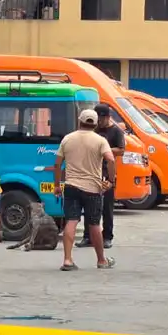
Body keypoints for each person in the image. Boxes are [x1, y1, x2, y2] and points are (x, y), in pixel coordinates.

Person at [55, 109, 117, 271]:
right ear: (95, 124)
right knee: (94, 224)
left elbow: (57, 164)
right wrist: (110, 180)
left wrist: (56, 185)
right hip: (93, 189)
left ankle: (67, 260)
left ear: (79, 121)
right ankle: (101, 260)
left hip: (71, 186)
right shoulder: (100, 140)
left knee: (72, 221)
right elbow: (111, 160)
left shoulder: (67, 139)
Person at [77, 103, 125, 249]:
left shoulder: (116, 131)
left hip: (107, 172)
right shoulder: (93, 130)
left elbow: (121, 150)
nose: (99, 122)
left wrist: (104, 150)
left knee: (107, 207)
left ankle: (107, 236)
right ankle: (88, 236)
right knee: (89, 205)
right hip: (91, 171)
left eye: (102, 119)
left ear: (108, 117)